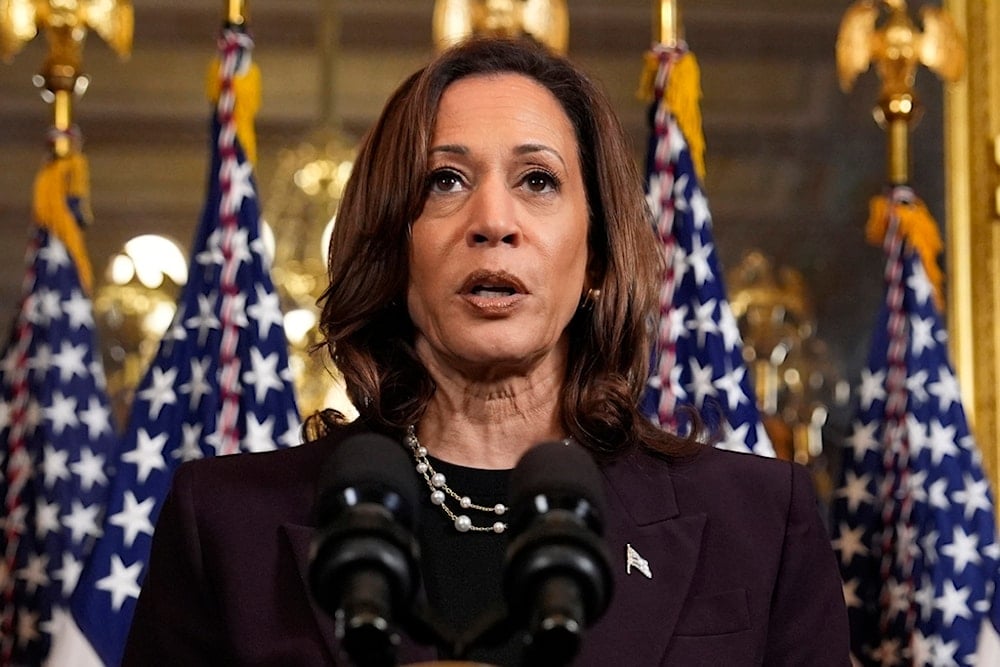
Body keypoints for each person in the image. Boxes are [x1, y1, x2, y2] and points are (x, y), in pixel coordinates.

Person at [124, 36, 850, 666]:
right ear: (391, 247)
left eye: (538, 181)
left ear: (595, 258)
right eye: (446, 181)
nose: (493, 221)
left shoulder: (758, 522)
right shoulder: (224, 525)